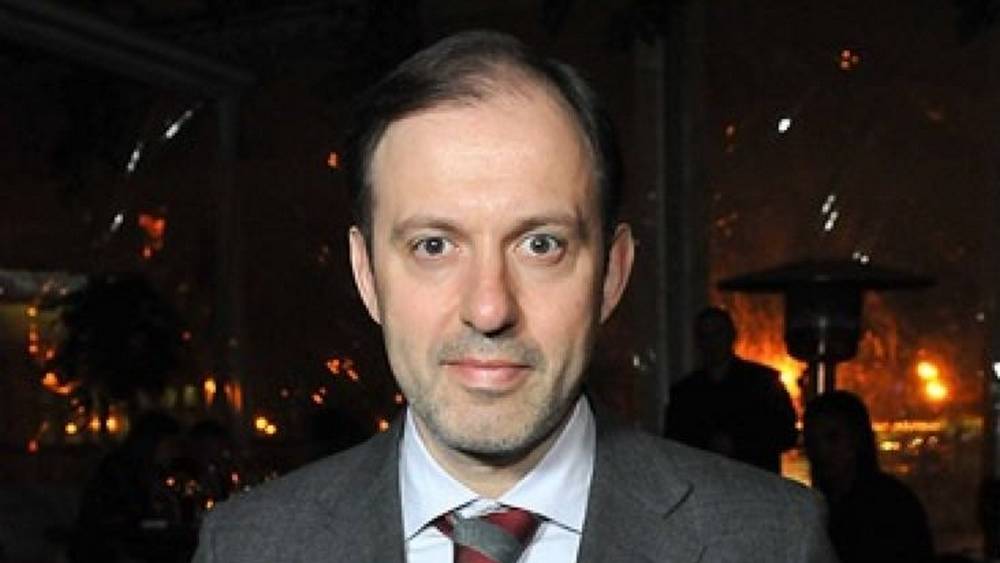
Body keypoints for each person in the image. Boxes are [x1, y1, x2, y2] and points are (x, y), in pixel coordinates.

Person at [193, 30, 836, 562]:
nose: (490, 308)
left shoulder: (771, 541)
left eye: (540, 245)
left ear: (612, 273)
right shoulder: (247, 548)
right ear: (366, 274)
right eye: (434, 246)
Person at [804, 391, 934, 563]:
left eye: (833, 438)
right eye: (811, 440)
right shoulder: (815, 507)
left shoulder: (890, 508)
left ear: (857, 439)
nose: (821, 451)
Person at [665, 306, 798, 473]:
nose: (712, 342)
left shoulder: (764, 382)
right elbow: (675, 443)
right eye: (705, 336)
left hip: (752, 478)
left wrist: (741, 444)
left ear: (732, 335)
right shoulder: (684, 393)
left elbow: (786, 434)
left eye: (717, 333)